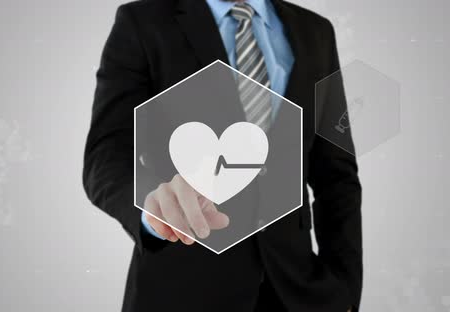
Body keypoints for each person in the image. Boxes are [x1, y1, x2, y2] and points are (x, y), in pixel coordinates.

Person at [83, 0, 362, 311]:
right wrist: (153, 205)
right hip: (181, 292)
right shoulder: (143, 22)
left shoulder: (315, 31)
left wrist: (345, 292)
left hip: (299, 293)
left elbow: (336, 176)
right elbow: (105, 155)